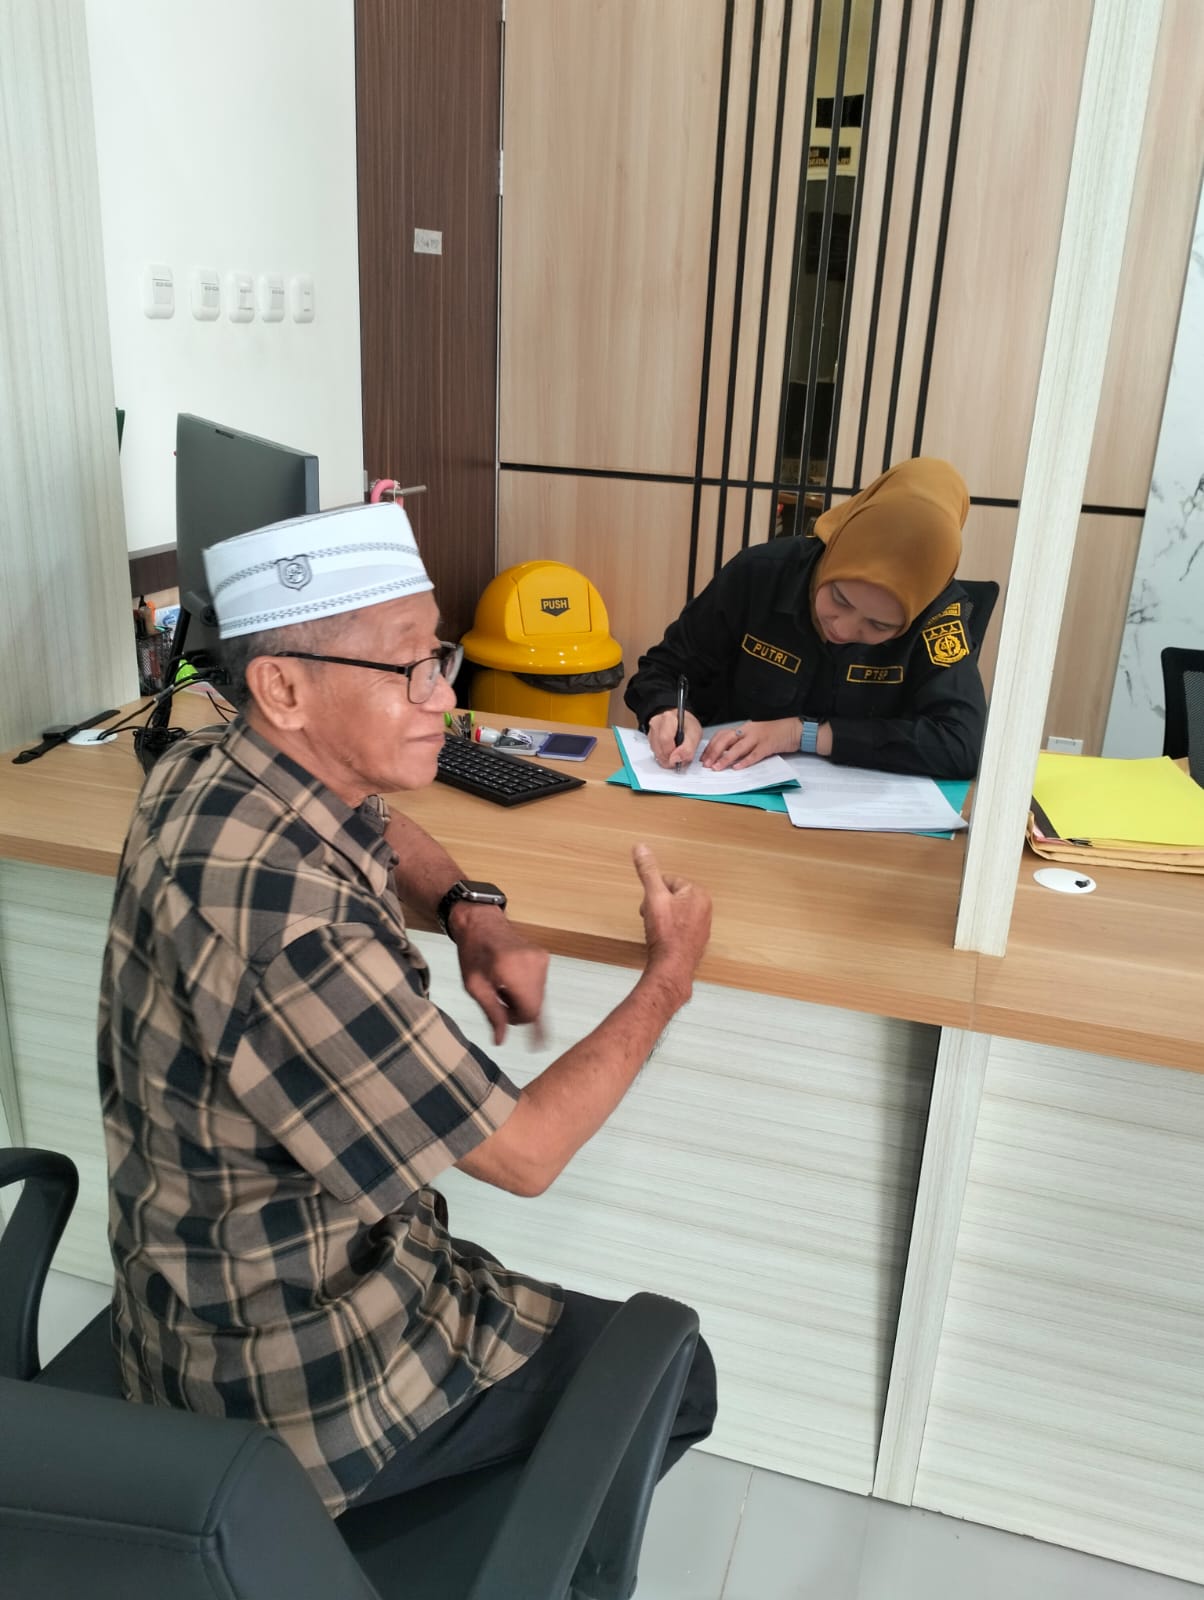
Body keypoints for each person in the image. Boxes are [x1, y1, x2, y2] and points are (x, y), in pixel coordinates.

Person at [98, 500, 716, 1524]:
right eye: (411, 670)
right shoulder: (296, 933)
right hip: (299, 1382)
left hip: (201, 1301)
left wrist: (471, 913)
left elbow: (377, 825)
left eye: (440, 659)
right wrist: (669, 975)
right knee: (677, 1374)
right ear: (284, 686)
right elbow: (526, 1155)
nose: (446, 698)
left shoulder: (204, 765)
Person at [625, 457, 986, 779]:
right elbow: (662, 669)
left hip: (859, 817)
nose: (842, 628)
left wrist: (803, 734)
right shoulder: (761, 574)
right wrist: (666, 710)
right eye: (839, 598)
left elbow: (961, 743)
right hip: (728, 793)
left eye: (879, 625)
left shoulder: (938, 616)